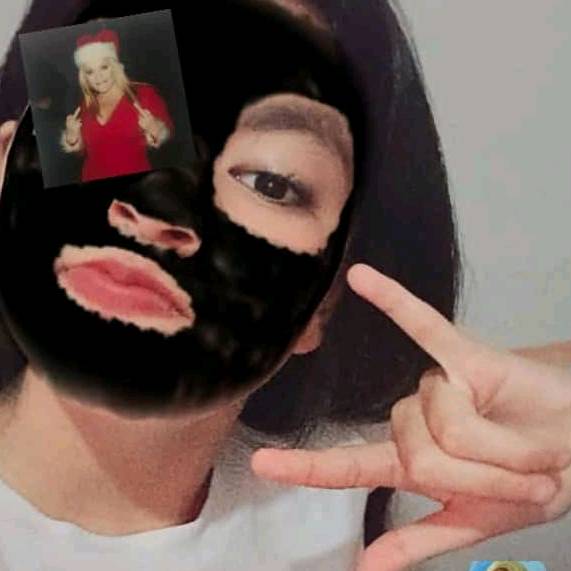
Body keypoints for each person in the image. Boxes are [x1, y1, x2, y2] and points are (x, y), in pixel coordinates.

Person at [0, 2, 570, 571]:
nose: (160, 208)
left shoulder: (358, 481)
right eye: (115, 126)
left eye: (271, 182)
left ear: (326, 300)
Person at [61, 27, 174, 182]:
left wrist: (155, 128)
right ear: (84, 77)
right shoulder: (86, 104)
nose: (98, 77)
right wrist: (72, 138)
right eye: (90, 71)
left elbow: (168, 135)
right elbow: (86, 150)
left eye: (104, 67)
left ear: (114, 66)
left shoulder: (143, 94)